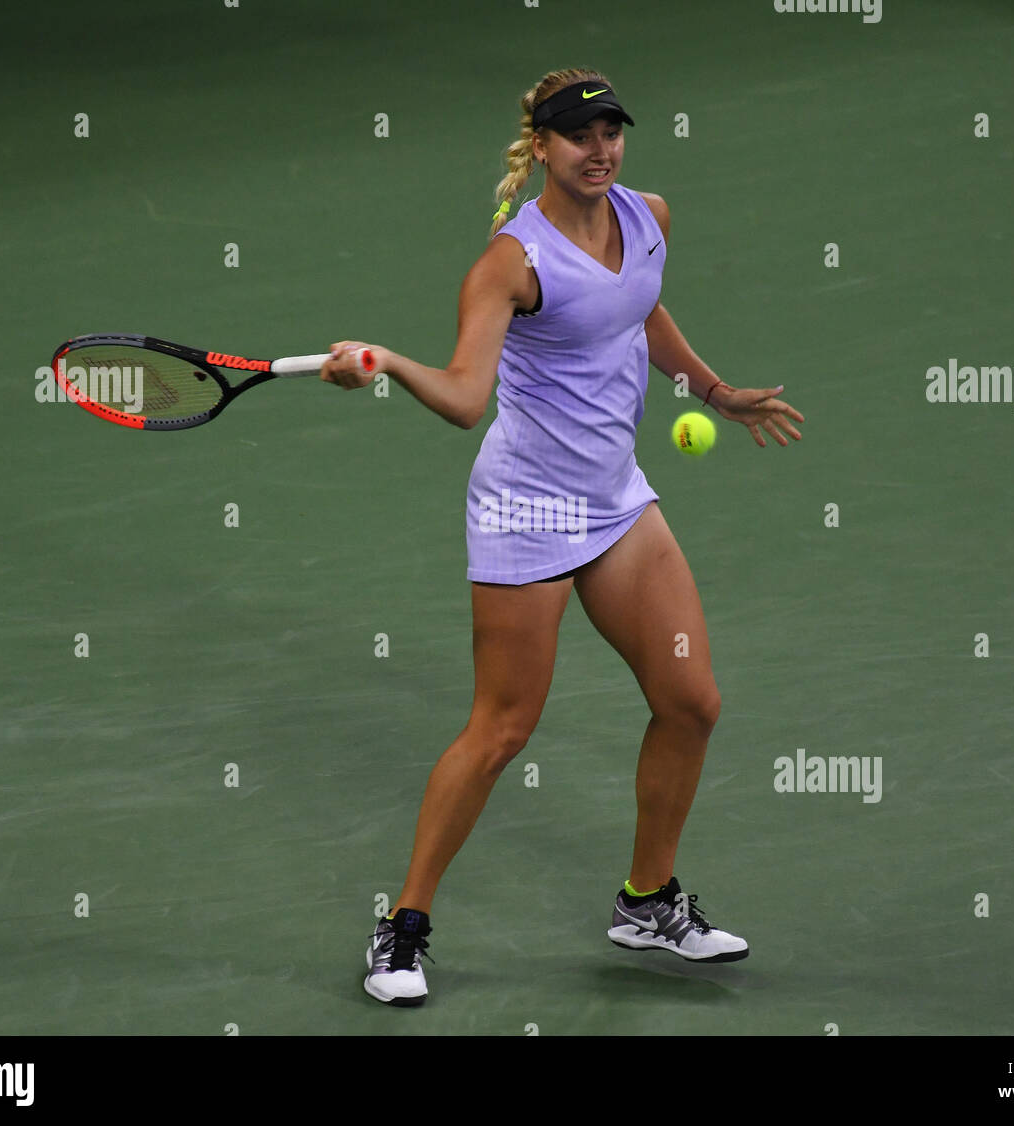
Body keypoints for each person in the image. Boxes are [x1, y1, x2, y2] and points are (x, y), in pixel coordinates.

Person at [321, 67, 804, 1007]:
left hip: (616, 500)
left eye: (612, 131)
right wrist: (384, 364)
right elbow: (467, 399)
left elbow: (640, 303)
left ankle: (647, 902)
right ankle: (402, 928)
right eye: (578, 135)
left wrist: (711, 389)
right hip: (527, 506)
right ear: (540, 146)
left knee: (692, 699)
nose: (601, 149)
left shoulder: (648, 213)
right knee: (502, 727)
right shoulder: (512, 262)